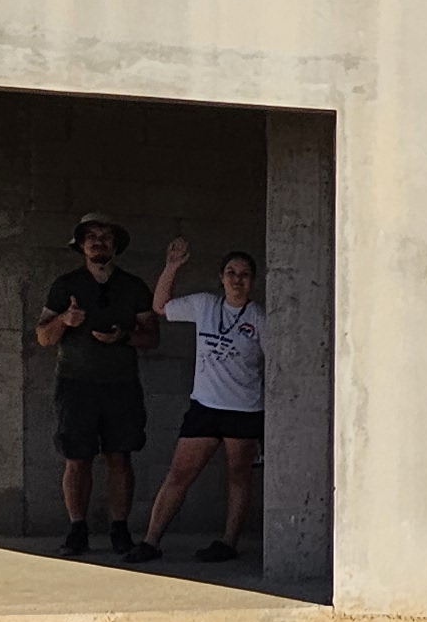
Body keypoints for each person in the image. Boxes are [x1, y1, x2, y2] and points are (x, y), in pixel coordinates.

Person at [134, 239, 264, 565]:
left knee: (239, 476)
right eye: (231, 272)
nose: (237, 279)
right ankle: (151, 540)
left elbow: (276, 364)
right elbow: (161, 307)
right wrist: (172, 267)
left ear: (252, 280)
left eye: (244, 274)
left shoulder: (260, 318)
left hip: (244, 410)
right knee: (179, 474)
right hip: (205, 407)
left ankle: (228, 542)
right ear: (221, 277)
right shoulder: (204, 304)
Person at [33, 214, 153, 557]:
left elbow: (151, 337)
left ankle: (120, 530)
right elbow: (43, 337)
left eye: (105, 236)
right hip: (75, 384)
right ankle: (77, 530)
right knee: (77, 457)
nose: (98, 241)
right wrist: (64, 320)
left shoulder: (134, 286)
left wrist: (123, 337)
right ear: (81, 245)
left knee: (120, 456)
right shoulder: (65, 285)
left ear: (116, 245)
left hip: (121, 385)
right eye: (91, 236)